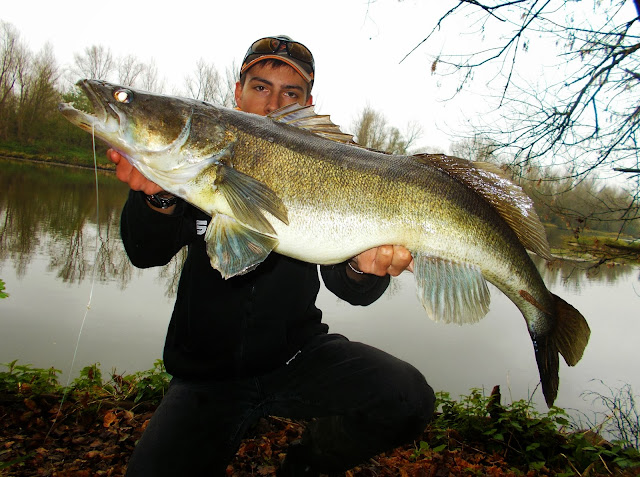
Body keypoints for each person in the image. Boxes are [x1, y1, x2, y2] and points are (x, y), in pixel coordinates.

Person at [109, 35, 435, 476]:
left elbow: (350, 288)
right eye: (261, 87)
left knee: (408, 397)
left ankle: (306, 465)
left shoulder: (328, 170)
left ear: (307, 103)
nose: (272, 102)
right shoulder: (195, 162)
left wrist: (363, 267)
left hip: (296, 358)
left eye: (290, 93)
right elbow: (145, 253)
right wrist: (160, 199)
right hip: (207, 376)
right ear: (238, 91)